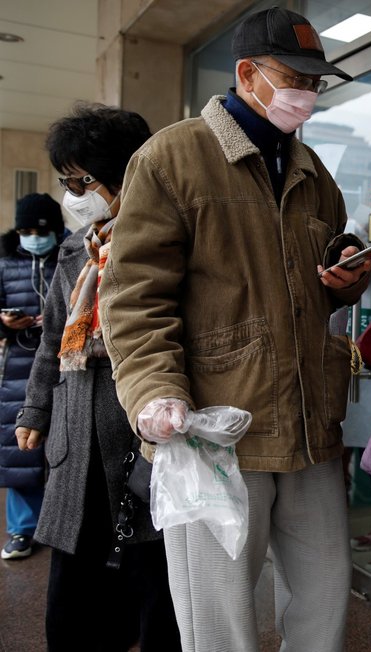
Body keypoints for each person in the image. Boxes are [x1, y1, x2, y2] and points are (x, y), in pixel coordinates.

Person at [98, 8, 371, 651]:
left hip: (309, 426)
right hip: (216, 429)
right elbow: (135, 296)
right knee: (220, 620)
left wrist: (346, 275)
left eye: (316, 82)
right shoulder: (173, 157)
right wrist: (154, 392)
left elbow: (318, 276)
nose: (307, 94)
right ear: (248, 74)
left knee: (324, 599)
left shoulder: (313, 172)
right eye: (294, 78)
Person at [14, 103, 180, 650]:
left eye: (82, 180)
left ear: (126, 172)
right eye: (66, 181)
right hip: (75, 436)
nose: (73, 194)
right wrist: (35, 410)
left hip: (143, 435)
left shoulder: (170, 240)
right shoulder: (74, 253)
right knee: (75, 596)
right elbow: (52, 340)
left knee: (154, 582)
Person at [0, 193, 64, 559]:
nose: (32, 237)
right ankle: (22, 529)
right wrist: (6, 323)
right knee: (20, 450)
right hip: (19, 368)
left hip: (63, 362)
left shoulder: (71, 257)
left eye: (39, 230)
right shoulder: (5, 262)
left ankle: (55, 523)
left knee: (63, 446)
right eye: (24, 230)